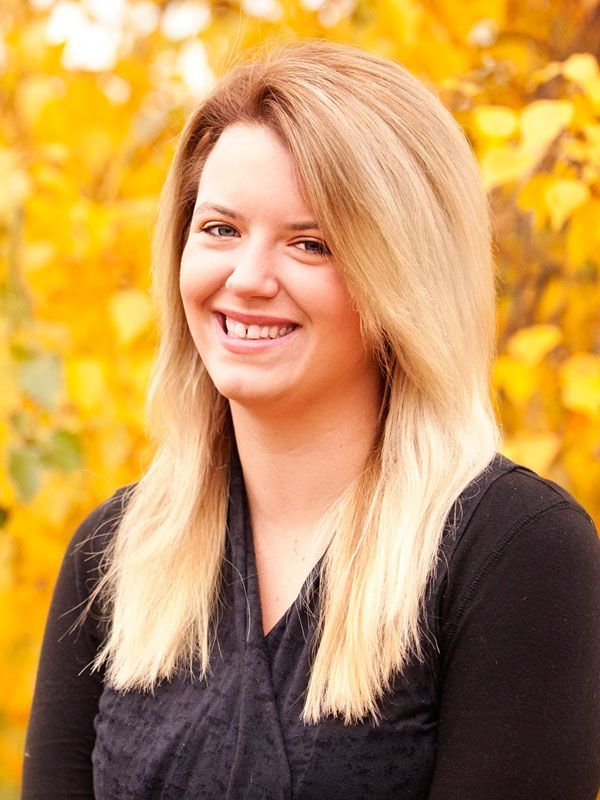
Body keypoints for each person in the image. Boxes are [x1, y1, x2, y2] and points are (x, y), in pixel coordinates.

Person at [22, 39, 599, 800]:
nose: (247, 278)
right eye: (220, 229)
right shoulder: (113, 558)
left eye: (311, 243)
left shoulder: (515, 553)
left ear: (401, 279)